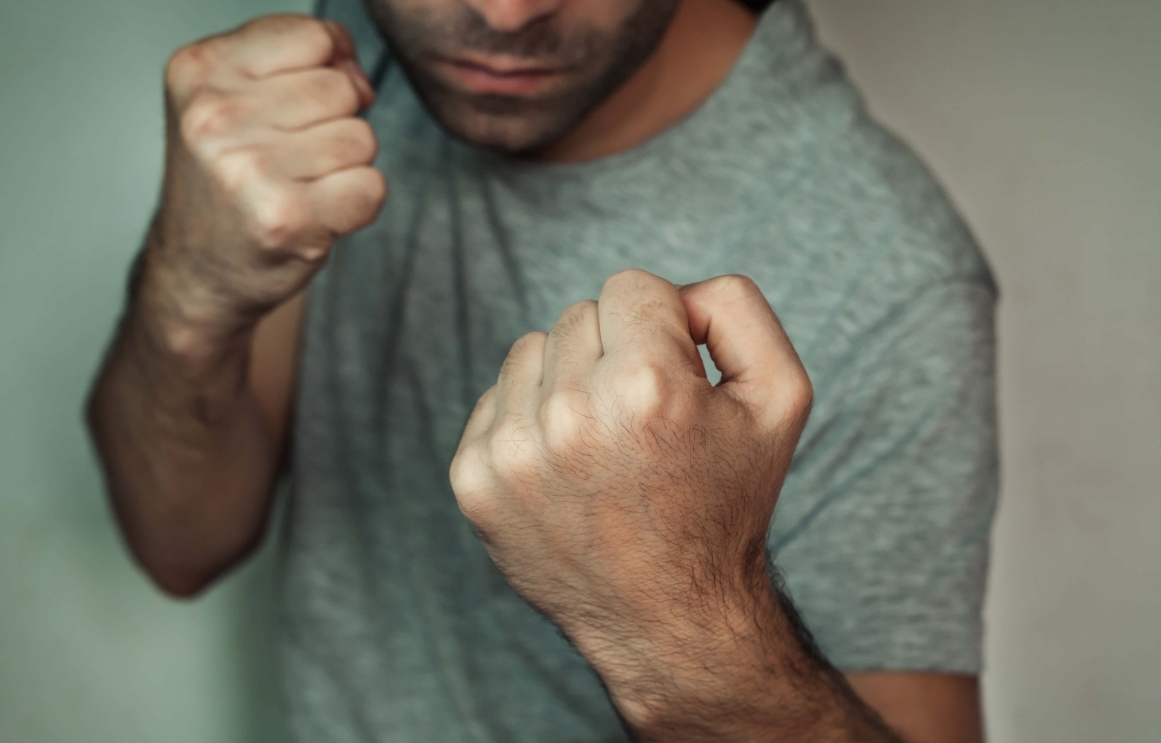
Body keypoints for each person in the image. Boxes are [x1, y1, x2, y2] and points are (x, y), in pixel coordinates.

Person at [85, 0, 999, 740]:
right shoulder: (356, 67)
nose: (505, 11)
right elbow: (180, 543)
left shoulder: (889, 272)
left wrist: (685, 635)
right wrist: (187, 290)